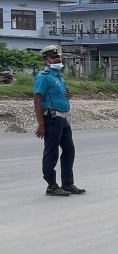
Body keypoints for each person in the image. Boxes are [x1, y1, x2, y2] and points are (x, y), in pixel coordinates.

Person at [33, 45, 86, 197]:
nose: (57, 60)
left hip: (63, 118)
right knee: (52, 152)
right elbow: (38, 100)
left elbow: (60, 95)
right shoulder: (43, 77)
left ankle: (68, 183)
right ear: (46, 61)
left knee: (69, 150)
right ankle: (52, 185)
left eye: (59, 57)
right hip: (51, 118)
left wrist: (67, 95)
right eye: (53, 57)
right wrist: (41, 124)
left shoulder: (59, 77)